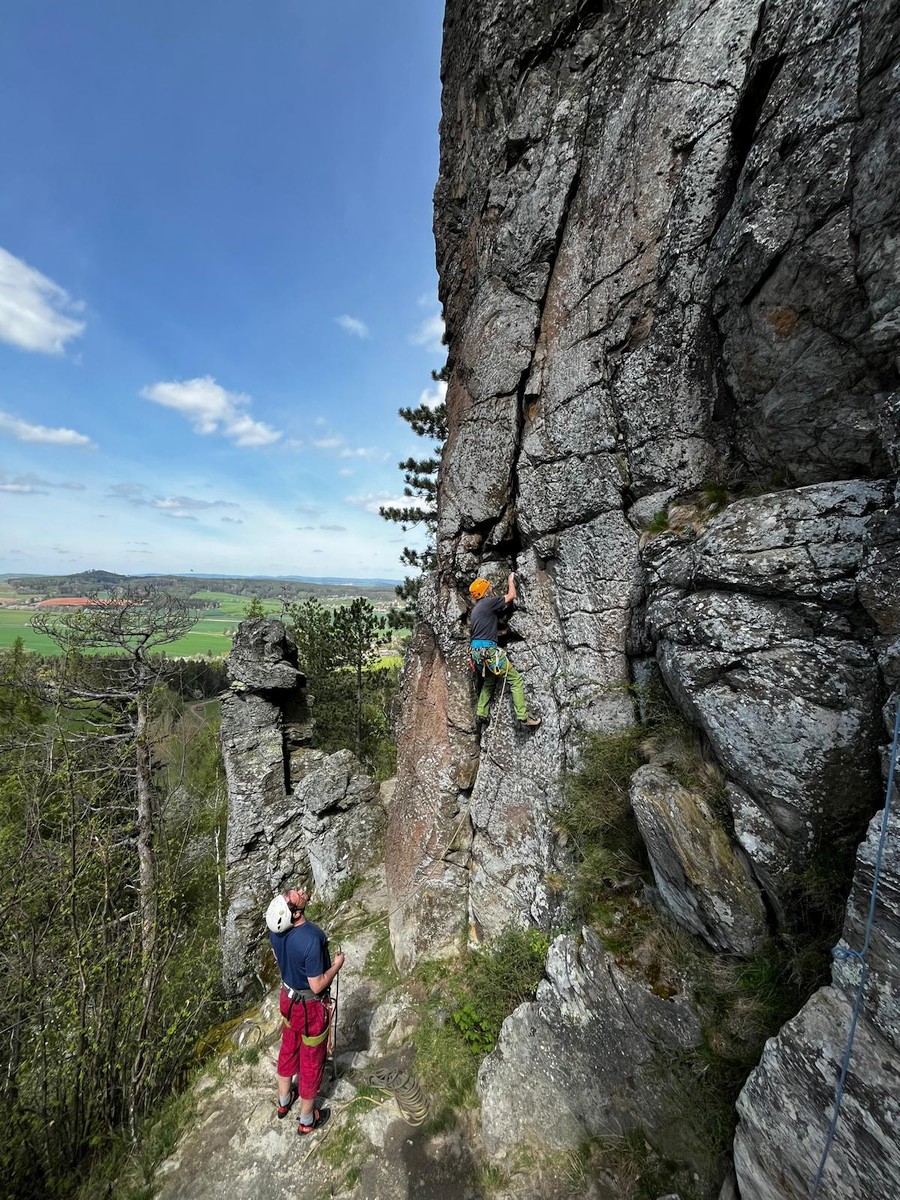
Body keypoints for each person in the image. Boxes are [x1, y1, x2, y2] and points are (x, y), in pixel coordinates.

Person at [265, 886, 345, 1133]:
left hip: (288, 999)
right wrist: (337, 965)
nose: (297, 890)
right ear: (295, 913)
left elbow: (281, 961)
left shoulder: (275, 932)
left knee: (289, 1047)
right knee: (311, 1060)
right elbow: (318, 983)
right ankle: (307, 1120)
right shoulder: (312, 938)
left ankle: (284, 1101)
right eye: (293, 895)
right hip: (309, 1007)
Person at [469, 572, 541, 729]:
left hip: (476, 652)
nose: (492, 588)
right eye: (489, 587)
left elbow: (483, 633)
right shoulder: (488, 603)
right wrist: (510, 580)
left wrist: (503, 633)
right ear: (485, 591)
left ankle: (482, 713)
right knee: (515, 680)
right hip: (488, 651)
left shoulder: (476, 610)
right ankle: (523, 717)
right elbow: (512, 595)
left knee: (489, 680)